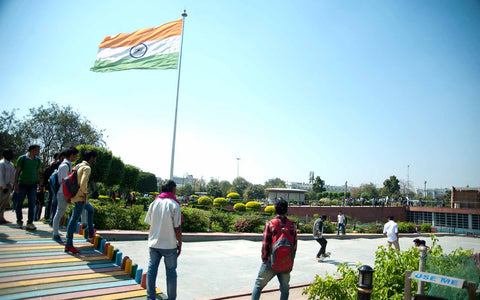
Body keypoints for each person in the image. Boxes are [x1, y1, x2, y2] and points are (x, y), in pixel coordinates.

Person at [251, 198, 297, 300]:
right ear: (286, 210)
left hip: (270, 262)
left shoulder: (271, 224)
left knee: (258, 285)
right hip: (285, 262)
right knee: (285, 289)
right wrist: (290, 261)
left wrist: (265, 259)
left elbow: (265, 244)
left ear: (275, 209)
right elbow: (294, 247)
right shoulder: (292, 226)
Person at [145, 179, 182, 300]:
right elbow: (177, 227)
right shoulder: (174, 205)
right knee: (171, 273)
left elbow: (149, 224)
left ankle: (150, 297)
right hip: (169, 245)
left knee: (151, 271)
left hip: (154, 243)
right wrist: (180, 243)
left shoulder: (153, 203)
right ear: (173, 190)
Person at [64, 150, 96, 254]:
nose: (95, 160)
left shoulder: (78, 165)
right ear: (91, 158)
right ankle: (68, 245)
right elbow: (83, 183)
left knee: (90, 210)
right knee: (74, 220)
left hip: (75, 194)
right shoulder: (87, 168)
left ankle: (91, 233)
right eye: (94, 158)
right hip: (79, 197)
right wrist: (85, 196)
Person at [52, 147, 78, 243]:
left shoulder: (68, 165)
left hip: (64, 193)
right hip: (63, 193)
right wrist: (68, 196)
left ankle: (56, 232)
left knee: (60, 212)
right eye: (75, 155)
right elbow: (64, 183)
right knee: (59, 213)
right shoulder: (65, 166)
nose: (76, 157)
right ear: (71, 155)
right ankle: (55, 233)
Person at [14, 145, 42, 230]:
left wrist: (39, 184)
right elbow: (17, 171)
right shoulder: (22, 158)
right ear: (32, 150)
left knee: (32, 203)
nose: (38, 152)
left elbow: (38, 173)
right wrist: (15, 183)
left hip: (33, 184)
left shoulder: (38, 160)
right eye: (37, 150)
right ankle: (19, 220)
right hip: (22, 183)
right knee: (20, 202)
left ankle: (30, 222)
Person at [43, 151, 65, 221]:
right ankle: (51, 218)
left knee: (50, 201)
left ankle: (48, 217)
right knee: (53, 202)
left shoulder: (53, 164)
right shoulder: (58, 164)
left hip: (51, 185)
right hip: (55, 186)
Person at [0, 149, 16, 224]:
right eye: (10, 153)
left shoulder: (11, 164)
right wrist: (4, 187)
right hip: (2, 187)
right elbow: (0, 176)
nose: (12, 155)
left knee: (4, 203)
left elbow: (13, 175)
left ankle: (1, 217)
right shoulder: (1, 164)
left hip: (8, 185)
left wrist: (11, 185)